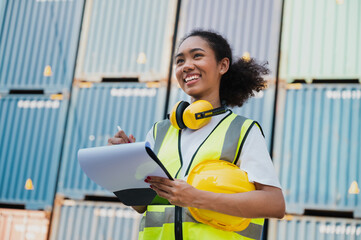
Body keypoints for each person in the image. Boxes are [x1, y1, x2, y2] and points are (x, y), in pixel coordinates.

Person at [108, 30, 285, 240]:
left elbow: (275, 204)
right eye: (180, 60)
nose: (186, 65)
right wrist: (122, 167)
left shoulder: (242, 131)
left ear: (223, 66)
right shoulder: (159, 131)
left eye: (197, 56)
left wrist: (197, 198)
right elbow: (142, 206)